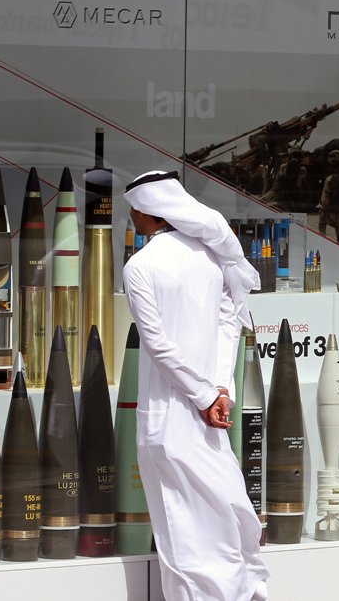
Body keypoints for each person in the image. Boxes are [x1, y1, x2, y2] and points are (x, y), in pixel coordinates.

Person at [122, 170, 270, 601]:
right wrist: (220, 391)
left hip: (171, 425)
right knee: (221, 529)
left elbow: (157, 347)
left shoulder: (140, 267)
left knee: (184, 543)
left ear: (150, 211)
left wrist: (207, 396)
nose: (131, 216)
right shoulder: (211, 260)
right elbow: (230, 325)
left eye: (134, 208)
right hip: (210, 423)